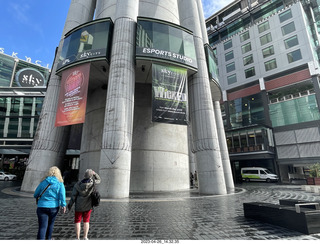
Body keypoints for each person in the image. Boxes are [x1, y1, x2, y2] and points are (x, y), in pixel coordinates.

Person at [34, 166, 67, 240]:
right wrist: (63, 205)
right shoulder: (60, 183)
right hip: (54, 207)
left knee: (42, 226)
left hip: (42, 206)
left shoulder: (43, 182)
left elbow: (35, 194)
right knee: (51, 224)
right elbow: (62, 195)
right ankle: (48, 239)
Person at [68, 169, 101, 240]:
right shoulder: (93, 183)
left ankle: (77, 237)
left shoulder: (78, 184)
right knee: (86, 221)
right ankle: (85, 237)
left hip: (79, 206)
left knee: (77, 221)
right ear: (91, 176)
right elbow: (99, 179)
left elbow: (73, 196)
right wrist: (95, 174)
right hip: (88, 206)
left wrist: (70, 205)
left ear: (84, 175)